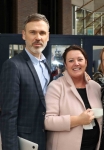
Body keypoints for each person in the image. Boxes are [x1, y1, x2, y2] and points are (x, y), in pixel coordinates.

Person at [0, 13, 50, 150]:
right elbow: (8, 115)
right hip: (26, 142)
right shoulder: (13, 66)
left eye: (42, 33)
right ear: (24, 35)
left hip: (47, 140)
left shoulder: (46, 65)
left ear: (48, 36)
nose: (38, 37)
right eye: (32, 32)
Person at [45, 45, 103, 150]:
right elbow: (48, 121)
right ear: (66, 65)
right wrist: (78, 120)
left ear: (86, 62)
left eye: (80, 59)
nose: (76, 63)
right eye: (71, 60)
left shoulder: (96, 87)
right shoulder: (56, 86)